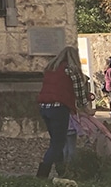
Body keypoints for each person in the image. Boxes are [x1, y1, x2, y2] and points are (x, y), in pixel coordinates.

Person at [36, 46, 95, 178]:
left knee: (55, 141)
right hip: (59, 108)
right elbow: (79, 93)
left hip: (44, 107)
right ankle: (42, 174)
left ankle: (61, 171)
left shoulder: (51, 69)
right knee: (58, 143)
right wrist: (86, 109)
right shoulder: (72, 70)